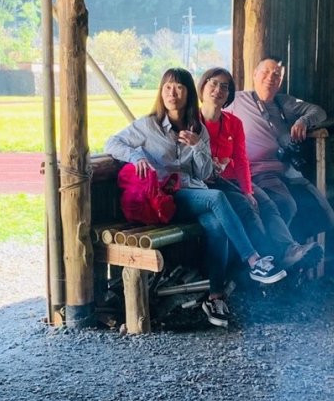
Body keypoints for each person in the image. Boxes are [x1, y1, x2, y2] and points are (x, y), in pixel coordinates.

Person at [106, 68, 287, 328]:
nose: (172, 93)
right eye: (168, 87)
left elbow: (204, 173)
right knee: (216, 198)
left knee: (216, 227)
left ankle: (215, 297)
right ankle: (254, 260)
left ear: (188, 93)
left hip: (190, 193)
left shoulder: (197, 127)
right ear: (161, 91)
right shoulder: (148, 125)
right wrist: (137, 157)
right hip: (162, 200)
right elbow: (111, 142)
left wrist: (198, 146)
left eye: (179, 88)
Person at [197, 66, 322, 270]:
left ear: (229, 94)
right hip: (207, 186)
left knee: (266, 203)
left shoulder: (233, 122)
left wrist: (248, 190)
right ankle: (269, 262)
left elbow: (241, 158)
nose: (218, 90)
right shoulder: (192, 121)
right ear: (202, 86)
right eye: (213, 83)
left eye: (225, 87)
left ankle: (289, 250)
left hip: (233, 181)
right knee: (248, 210)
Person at [230, 56, 334, 243]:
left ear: (281, 81)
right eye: (266, 71)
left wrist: (303, 121)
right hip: (256, 173)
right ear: (255, 74)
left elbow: (319, 111)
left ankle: (293, 249)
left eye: (277, 74)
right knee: (285, 205)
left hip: (287, 172)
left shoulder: (284, 103)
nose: (271, 77)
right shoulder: (237, 101)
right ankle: (282, 257)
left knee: (325, 215)